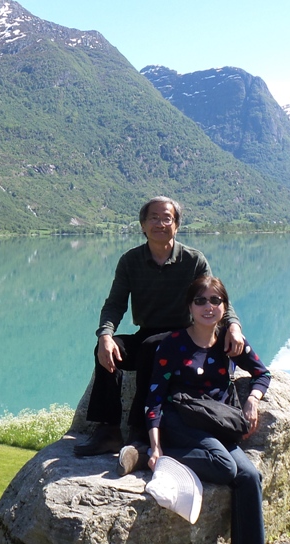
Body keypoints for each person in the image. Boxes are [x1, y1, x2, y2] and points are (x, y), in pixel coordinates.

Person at [73, 196, 246, 457]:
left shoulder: (193, 260)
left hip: (187, 337)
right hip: (147, 332)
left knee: (150, 348)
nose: (160, 223)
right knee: (111, 350)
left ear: (176, 225)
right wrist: (105, 335)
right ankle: (109, 431)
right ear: (143, 225)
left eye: (167, 218)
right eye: (154, 217)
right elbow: (115, 304)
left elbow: (215, 297)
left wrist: (233, 326)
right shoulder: (130, 260)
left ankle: (140, 431)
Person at [141, 275, 270, 544]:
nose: (208, 306)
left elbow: (262, 374)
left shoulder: (230, 341)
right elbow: (155, 397)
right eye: (200, 300)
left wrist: (252, 400)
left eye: (215, 300)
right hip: (180, 419)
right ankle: (145, 455)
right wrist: (155, 446)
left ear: (225, 306)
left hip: (216, 422)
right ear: (189, 306)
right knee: (225, 467)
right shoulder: (173, 344)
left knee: (249, 476)